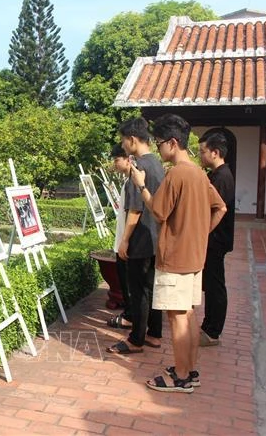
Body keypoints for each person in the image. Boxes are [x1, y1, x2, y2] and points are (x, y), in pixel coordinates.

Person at [129, 113, 226, 393]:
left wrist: (141, 185)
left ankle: (181, 376)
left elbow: (158, 212)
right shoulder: (198, 172)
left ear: (172, 142)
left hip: (175, 259)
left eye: (159, 143)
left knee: (177, 319)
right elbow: (220, 208)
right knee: (188, 315)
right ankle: (189, 371)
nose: (158, 148)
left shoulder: (177, 174)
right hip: (194, 256)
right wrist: (200, 233)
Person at [107, 117, 164, 354]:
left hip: (141, 238)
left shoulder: (139, 167)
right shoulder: (157, 164)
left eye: (123, 140)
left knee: (139, 290)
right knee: (152, 288)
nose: (123, 144)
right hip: (155, 237)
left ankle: (136, 339)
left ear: (132, 140)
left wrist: (125, 240)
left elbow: (135, 209)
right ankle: (154, 334)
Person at [198, 129, 235, 346]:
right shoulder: (216, 175)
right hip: (213, 240)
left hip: (216, 240)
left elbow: (217, 211)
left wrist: (204, 234)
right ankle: (208, 325)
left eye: (203, 151)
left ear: (215, 152)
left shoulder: (222, 177)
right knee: (211, 285)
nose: (201, 155)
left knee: (215, 285)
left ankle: (213, 331)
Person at [106, 143, 133, 330]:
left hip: (126, 243)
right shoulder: (127, 182)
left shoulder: (133, 182)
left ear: (128, 159)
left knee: (129, 284)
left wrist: (125, 241)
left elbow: (134, 213)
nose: (115, 164)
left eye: (117, 160)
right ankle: (130, 314)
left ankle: (131, 317)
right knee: (126, 284)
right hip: (123, 241)